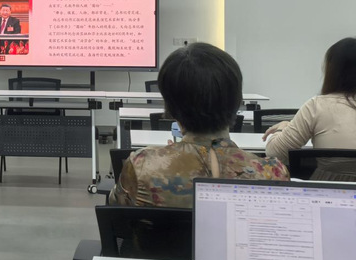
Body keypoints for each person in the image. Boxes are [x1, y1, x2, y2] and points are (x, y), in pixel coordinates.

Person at [110, 42, 288, 208]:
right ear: (237, 101)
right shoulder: (272, 174)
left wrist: (170, 156)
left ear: (171, 106)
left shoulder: (142, 166)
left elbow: (116, 214)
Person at [264, 37, 356, 180]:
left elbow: (275, 153)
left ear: (332, 71)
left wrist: (283, 127)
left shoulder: (316, 106)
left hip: (326, 188)